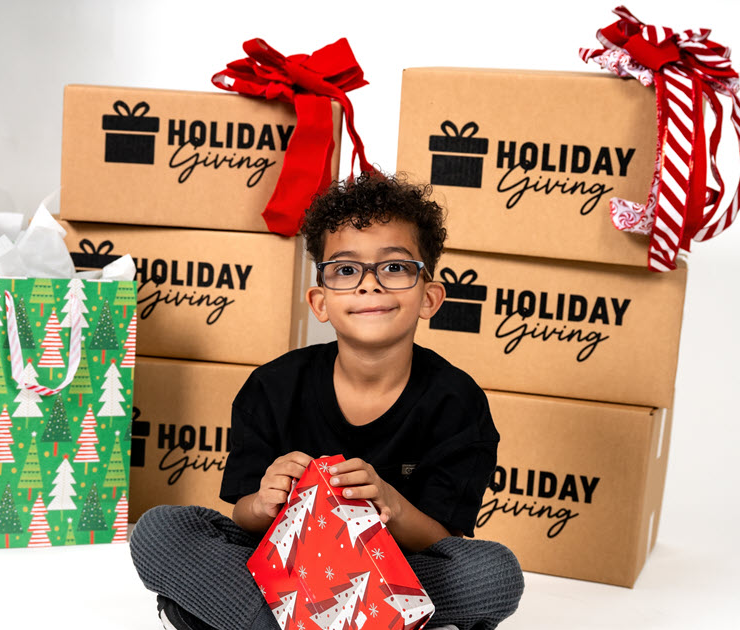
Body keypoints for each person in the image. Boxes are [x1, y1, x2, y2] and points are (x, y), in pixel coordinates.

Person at [130, 171, 524, 630]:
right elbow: (243, 514)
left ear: (429, 297)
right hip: (280, 564)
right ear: (319, 302)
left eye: (395, 267)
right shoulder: (272, 387)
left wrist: (391, 504)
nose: (369, 284)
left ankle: (240, 619)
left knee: (494, 572)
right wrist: (263, 503)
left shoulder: (457, 402)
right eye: (346, 270)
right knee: (161, 529)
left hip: (389, 568)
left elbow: (443, 537)